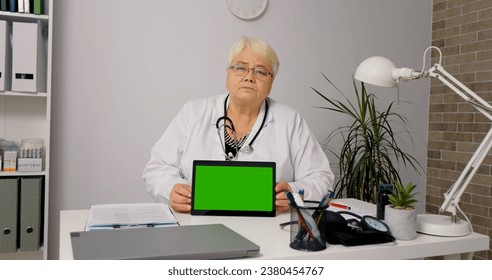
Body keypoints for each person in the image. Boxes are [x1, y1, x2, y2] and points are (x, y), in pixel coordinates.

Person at [143, 37, 334, 213]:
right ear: (228, 73)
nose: (249, 77)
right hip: (197, 222)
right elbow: (157, 168)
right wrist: (171, 189)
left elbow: (322, 179)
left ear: (272, 81)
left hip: (269, 229)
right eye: (240, 68)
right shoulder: (193, 112)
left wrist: (294, 192)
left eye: (260, 72)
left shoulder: (290, 121)